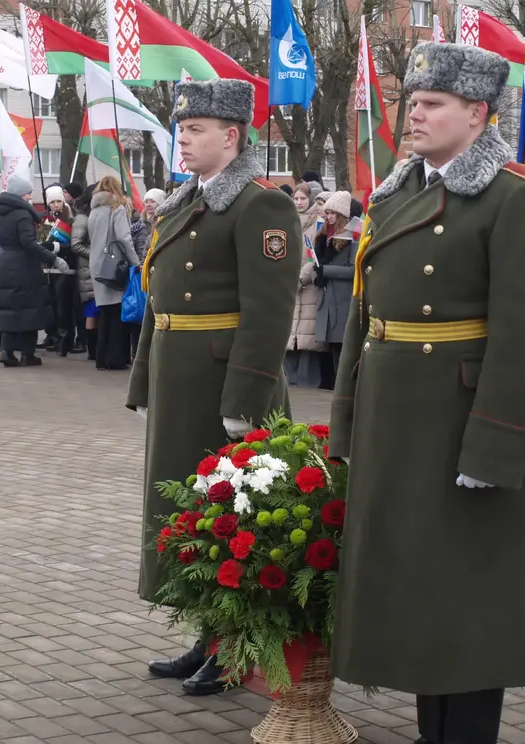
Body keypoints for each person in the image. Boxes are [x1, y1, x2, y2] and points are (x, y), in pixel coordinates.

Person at [328, 42, 525, 744]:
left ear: (477, 113)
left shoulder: (517, 195)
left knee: (468, 588)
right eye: (412, 104)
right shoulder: (399, 191)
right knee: (421, 580)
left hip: (460, 419)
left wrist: (495, 446)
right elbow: (367, 320)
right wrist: (346, 417)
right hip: (398, 417)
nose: (414, 116)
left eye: (432, 105)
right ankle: (430, 743)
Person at [127, 78, 300, 696]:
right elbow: (159, 300)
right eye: (182, 128)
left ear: (232, 136)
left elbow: (269, 311)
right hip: (182, 379)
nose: (185, 139)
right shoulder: (187, 200)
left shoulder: (260, 205)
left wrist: (244, 401)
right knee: (187, 513)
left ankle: (232, 651)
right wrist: (146, 373)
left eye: (197, 130)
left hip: (224, 382)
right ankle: (206, 636)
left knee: (230, 514)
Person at [0, 175, 66, 367]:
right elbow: (28, 244)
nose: (29, 197)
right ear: (20, 194)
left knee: (11, 310)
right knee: (30, 311)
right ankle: (28, 354)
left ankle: (6, 351)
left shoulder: (2, 214)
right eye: (28, 193)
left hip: (6, 266)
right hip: (24, 267)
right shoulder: (22, 215)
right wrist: (53, 258)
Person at [87, 176, 138, 370]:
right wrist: (135, 262)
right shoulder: (118, 207)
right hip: (115, 265)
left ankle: (102, 357)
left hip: (97, 264)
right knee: (117, 313)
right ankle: (116, 358)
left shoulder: (94, 211)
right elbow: (124, 238)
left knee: (106, 313)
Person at [285, 183, 326, 388]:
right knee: (288, 342)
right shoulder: (286, 221)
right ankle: (291, 384)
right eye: (296, 198)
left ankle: (308, 387)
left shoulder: (318, 224)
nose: (299, 202)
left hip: (308, 289)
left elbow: (315, 257)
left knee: (306, 342)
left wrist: (300, 278)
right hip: (288, 288)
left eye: (303, 198)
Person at [312, 190, 357, 380]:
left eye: (333, 213)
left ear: (342, 215)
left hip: (343, 300)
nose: (328, 216)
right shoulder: (323, 238)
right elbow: (319, 264)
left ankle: (343, 389)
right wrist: (318, 274)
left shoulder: (353, 237)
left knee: (343, 348)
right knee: (332, 348)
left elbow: (354, 270)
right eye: (328, 212)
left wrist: (326, 271)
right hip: (328, 297)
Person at [42, 184, 78, 357]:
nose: (56, 205)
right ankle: (54, 337)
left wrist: (57, 246)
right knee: (52, 306)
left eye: (58, 201)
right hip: (49, 269)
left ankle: (66, 341)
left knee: (64, 307)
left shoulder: (71, 219)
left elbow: (75, 245)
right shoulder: (46, 220)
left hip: (66, 268)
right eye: (52, 202)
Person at [72, 184, 98, 360]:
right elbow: (76, 244)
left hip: (96, 268)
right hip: (87, 269)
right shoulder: (82, 218)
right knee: (92, 310)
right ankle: (92, 350)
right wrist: (96, 255)